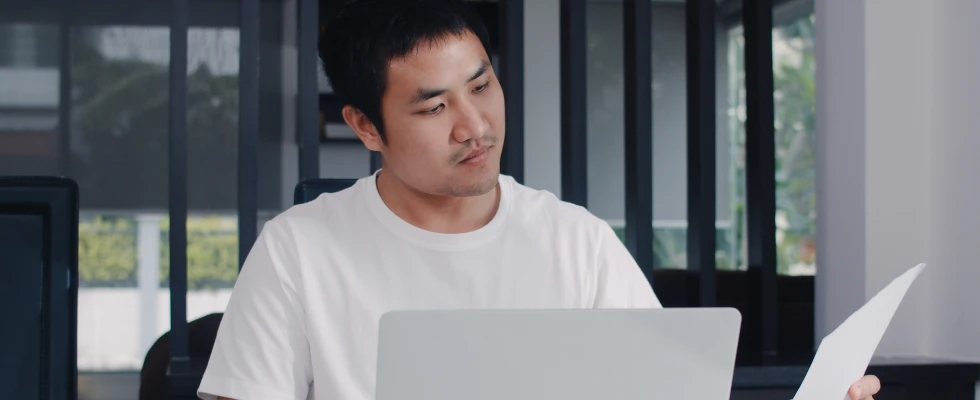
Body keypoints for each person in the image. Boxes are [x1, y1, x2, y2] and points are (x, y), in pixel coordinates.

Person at [197, 1, 881, 399]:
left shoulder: (576, 241)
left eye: (482, 86)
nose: (475, 126)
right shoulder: (298, 249)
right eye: (434, 107)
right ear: (366, 127)